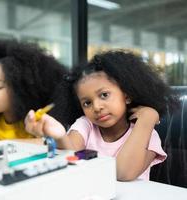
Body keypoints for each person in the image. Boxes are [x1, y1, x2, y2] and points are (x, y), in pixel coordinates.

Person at [25, 50, 179, 181]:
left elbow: (123, 173)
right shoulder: (86, 125)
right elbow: (70, 151)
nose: (97, 107)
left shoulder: (148, 135)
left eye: (104, 95)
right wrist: (59, 135)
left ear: (127, 94)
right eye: (87, 103)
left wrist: (147, 119)